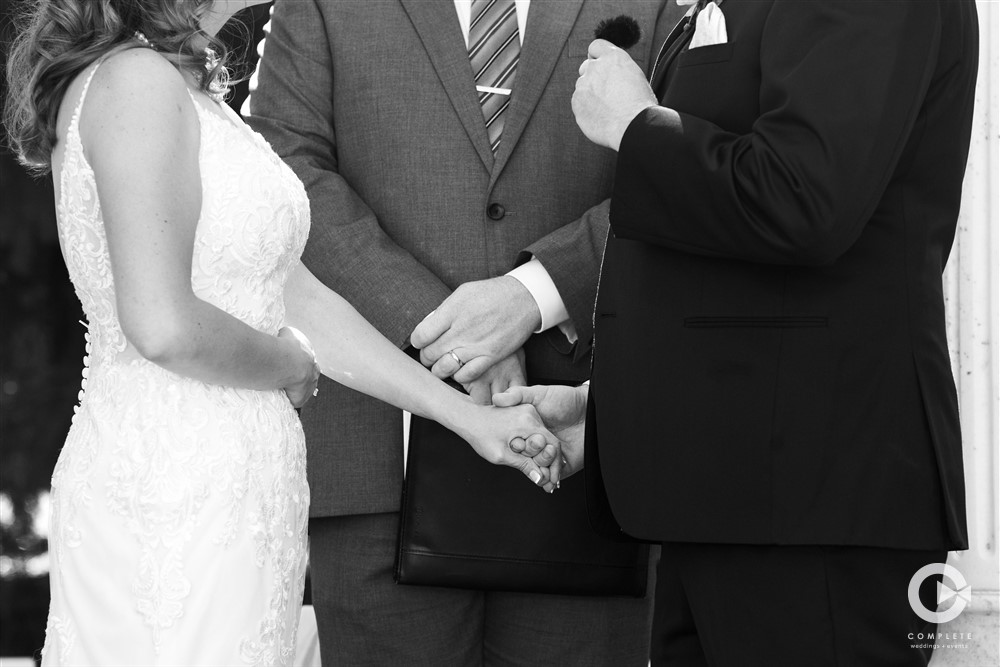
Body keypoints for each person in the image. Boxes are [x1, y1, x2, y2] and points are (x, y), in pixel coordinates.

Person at [3, 1, 562, 664]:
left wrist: (465, 418)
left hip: (244, 496)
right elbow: (160, 324)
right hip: (170, 496)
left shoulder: (182, 86)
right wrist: (291, 365)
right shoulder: (135, 82)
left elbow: (300, 298)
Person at [497, 0, 980, 664]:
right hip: (733, 501)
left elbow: (805, 198)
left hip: (812, 511)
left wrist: (638, 126)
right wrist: (609, 406)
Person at [245, 0, 685, 664]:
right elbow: (283, 166)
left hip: (582, 458)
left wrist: (532, 295)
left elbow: (681, 169)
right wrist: (450, 333)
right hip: (376, 463)